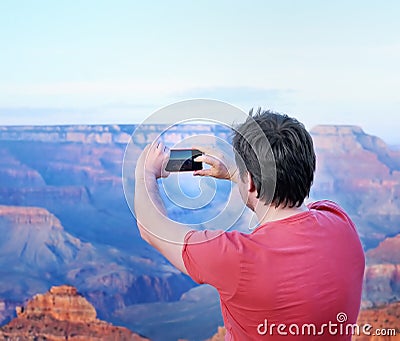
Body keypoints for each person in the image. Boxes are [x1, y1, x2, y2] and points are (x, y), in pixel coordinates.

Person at [134, 109, 365, 340]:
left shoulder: (237, 258)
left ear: (251, 182)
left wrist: (145, 173)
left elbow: (149, 227)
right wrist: (241, 173)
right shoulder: (340, 222)